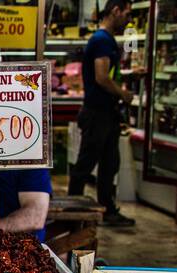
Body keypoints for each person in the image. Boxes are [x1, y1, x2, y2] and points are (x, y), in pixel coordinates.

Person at [68, 0, 136, 227]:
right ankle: (72, 207)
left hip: (105, 112)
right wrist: (123, 94)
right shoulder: (101, 40)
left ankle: (106, 208)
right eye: (127, 13)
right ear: (115, 11)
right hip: (98, 113)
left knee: (109, 163)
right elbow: (102, 76)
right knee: (87, 163)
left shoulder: (104, 40)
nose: (129, 19)